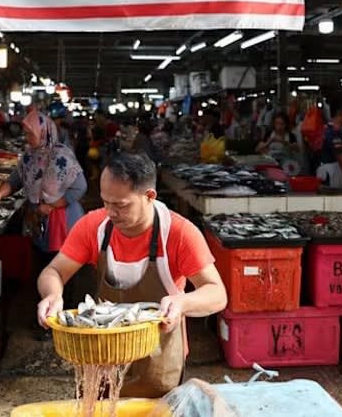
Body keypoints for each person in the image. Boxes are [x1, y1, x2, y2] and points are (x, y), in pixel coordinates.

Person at [36, 153, 227, 398]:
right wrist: (53, 294)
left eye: (121, 205)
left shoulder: (179, 233)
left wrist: (183, 302)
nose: (110, 212)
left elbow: (217, 293)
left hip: (159, 357)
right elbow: (54, 271)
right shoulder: (94, 226)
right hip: (103, 353)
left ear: (149, 196)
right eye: (106, 202)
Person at [0, 111, 88, 304]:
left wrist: (53, 204)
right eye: (26, 133)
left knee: (62, 267)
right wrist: (0, 193)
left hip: (62, 221)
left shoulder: (61, 155)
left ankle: (63, 313)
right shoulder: (29, 155)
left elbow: (80, 187)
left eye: (30, 133)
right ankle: (47, 310)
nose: (26, 137)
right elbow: (16, 178)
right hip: (39, 219)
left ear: (44, 132)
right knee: (44, 266)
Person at [317, 105, 342, 191]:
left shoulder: (327, 129)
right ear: (341, 113)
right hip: (332, 172)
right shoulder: (334, 133)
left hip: (326, 171)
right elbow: (341, 157)